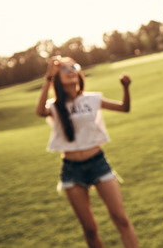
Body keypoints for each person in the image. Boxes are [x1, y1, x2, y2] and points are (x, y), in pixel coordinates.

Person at [35, 56, 139, 248]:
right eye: (64, 69)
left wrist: (125, 88)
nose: (71, 70)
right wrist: (47, 78)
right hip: (72, 170)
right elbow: (40, 111)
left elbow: (124, 108)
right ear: (57, 78)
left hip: (99, 163)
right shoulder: (55, 106)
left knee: (121, 219)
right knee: (90, 230)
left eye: (74, 67)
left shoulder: (92, 99)